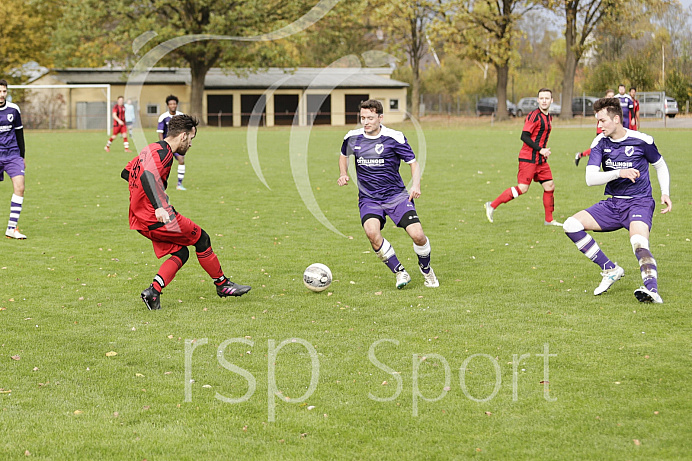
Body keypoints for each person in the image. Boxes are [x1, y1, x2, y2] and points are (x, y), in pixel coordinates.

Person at [121, 114, 251, 310]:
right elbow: (147, 176)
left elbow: (126, 172)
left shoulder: (149, 149)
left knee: (181, 252)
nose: (190, 144)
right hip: (157, 217)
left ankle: (153, 292)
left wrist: (141, 198)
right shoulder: (164, 154)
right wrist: (157, 206)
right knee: (202, 239)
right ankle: (222, 285)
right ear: (182, 136)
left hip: (139, 218)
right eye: (191, 138)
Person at [562, 97, 671, 303]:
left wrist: (665, 192)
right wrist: (618, 172)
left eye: (602, 121)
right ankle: (610, 269)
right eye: (597, 121)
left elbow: (660, 164)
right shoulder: (599, 142)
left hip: (640, 202)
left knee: (638, 242)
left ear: (616, 119)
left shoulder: (642, 140)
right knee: (571, 225)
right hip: (613, 204)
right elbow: (590, 178)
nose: (599, 125)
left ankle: (652, 291)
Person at [337, 99, 439, 289]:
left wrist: (415, 185)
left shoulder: (395, 137)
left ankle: (427, 271)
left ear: (380, 118)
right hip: (369, 199)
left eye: (370, 118)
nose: (366, 122)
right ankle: (400, 272)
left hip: (396, 196)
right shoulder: (352, 137)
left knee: (418, 235)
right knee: (372, 233)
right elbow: (344, 155)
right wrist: (343, 174)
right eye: (362, 118)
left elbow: (413, 163)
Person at [485, 88, 561, 226]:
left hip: (540, 159)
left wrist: (542, 152)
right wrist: (541, 149)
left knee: (549, 185)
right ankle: (492, 205)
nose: (544, 101)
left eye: (547, 98)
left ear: (552, 100)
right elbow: (524, 136)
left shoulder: (548, 116)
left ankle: (549, 220)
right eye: (541, 98)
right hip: (528, 158)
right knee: (523, 188)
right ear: (538, 100)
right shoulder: (534, 116)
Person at [0, 79, 27, 239]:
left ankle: (12, 228)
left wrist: (22, 156)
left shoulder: (14, 109)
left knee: (20, 187)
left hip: (12, 155)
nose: (1, 95)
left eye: (4, 91)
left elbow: (19, 134)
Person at [574, 89, 615, 166]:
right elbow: (597, 116)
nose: (611, 98)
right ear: (606, 96)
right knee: (598, 148)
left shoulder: (613, 107)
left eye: (612, 96)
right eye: (609, 96)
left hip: (609, 130)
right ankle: (581, 155)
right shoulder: (603, 106)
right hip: (601, 130)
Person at [157, 95, 186, 190]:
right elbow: (160, 132)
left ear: (177, 105)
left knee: (181, 160)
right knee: (163, 165)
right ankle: (159, 185)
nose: (173, 105)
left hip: (177, 144)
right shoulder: (163, 117)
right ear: (168, 105)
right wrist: (162, 145)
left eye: (174, 104)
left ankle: (179, 184)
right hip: (167, 145)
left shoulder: (181, 116)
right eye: (170, 104)